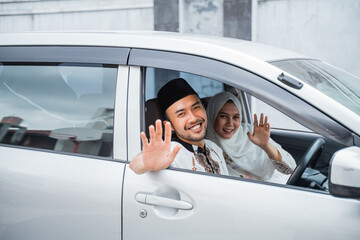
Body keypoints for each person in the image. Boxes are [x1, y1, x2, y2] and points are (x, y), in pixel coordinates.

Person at [130, 78, 228, 175]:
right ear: (170, 125)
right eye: (181, 114)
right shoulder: (169, 152)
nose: (193, 118)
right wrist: (147, 163)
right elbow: (135, 165)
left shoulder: (214, 148)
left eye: (196, 107)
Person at [206, 91, 296, 183]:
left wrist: (266, 146)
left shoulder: (251, 132)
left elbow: (289, 169)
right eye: (223, 116)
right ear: (212, 116)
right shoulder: (207, 146)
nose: (230, 123)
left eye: (235, 117)